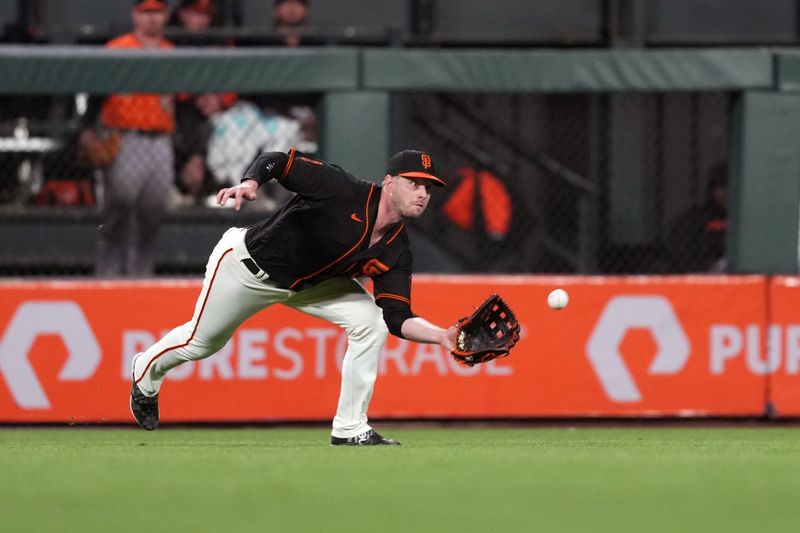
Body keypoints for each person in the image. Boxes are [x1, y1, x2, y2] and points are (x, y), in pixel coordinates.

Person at [130, 148, 456, 445]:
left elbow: (397, 318)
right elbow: (278, 161)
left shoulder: (398, 249)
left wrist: (441, 336)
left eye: (428, 188)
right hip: (248, 268)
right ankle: (146, 370)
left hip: (309, 285)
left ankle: (351, 428)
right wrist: (251, 182)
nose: (422, 193)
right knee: (201, 343)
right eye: (414, 183)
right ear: (389, 182)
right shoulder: (341, 189)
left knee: (371, 322)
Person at [79, 0, 175, 277]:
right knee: (118, 207)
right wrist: (86, 129)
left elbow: (183, 104)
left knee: (152, 212)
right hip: (124, 138)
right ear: (135, 15)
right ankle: (107, 279)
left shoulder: (171, 53)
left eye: (157, 12)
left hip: (161, 141)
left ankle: (140, 280)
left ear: (166, 15)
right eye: (146, 12)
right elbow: (96, 95)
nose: (152, 19)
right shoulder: (118, 49)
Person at [668, 162, 728, 273]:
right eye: (721, 188)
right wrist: (705, 267)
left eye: (730, 188)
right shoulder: (696, 219)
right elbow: (681, 250)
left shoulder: (750, 220)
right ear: (712, 191)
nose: (726, 194)